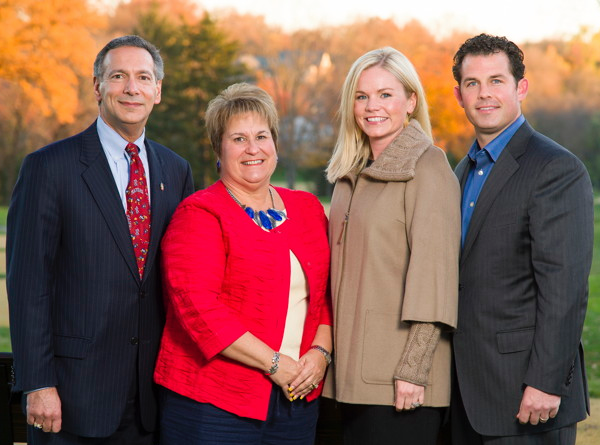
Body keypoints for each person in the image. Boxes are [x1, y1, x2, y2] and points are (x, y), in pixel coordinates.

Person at [6, 35, 194, 444]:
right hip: (72, 398)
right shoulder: (49, 168)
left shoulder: (175, 171)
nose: (132, 87)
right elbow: (28, 286)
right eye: (118, 76)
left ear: (157, 91)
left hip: (151, 399)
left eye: (143, 77)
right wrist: (38, 384)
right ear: (97, 86)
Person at [153, 82, 333, 445]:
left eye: (262, 136)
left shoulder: (308, 209)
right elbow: (199, 310)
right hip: (213, 404)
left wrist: (321, 352)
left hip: (296, 401)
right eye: (238, 139)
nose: (253, 149)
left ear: (275, 145)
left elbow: (326, 295)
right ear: (218, 149)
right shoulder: (200, 213)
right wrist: (277, 364)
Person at [450, 34, 593, 445]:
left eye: (496, 80)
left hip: (528, 395)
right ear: (458, 94)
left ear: (521, 88)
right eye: (472, 83)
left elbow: (564, 288)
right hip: (468, 392)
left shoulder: (556, 169)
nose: (484, 94)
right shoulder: (461, 171)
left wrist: (547, 382)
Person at [323, 47, 461, 445]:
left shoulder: (428, 169)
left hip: (400, 383)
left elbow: (434, 281)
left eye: (386, 94)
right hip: (352, 379)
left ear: (411, 101)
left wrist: (413, 371)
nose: (372, 107)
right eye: (362, 96)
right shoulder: (351, 177)